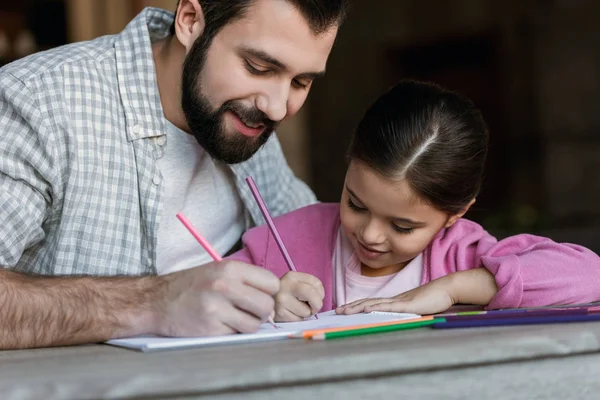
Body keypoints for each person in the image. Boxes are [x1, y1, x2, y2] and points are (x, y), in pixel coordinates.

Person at [0, 0, 350, 349]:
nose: (277, 106)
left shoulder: (246, 120)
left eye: (301, 82)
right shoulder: (37, 101)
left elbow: (327, 241)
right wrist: (154, 303)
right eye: (258, 67)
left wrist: (405, 287)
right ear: (189, 20)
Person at [228, 80, 600, 322]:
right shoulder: (285, 239)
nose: (371, 235)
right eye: (356, 204)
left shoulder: (464, 256)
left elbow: (590, 274)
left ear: (456, 214)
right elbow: (210, 297)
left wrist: (452, 289)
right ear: (348, 164)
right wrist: (263, 306)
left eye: (402, 226)